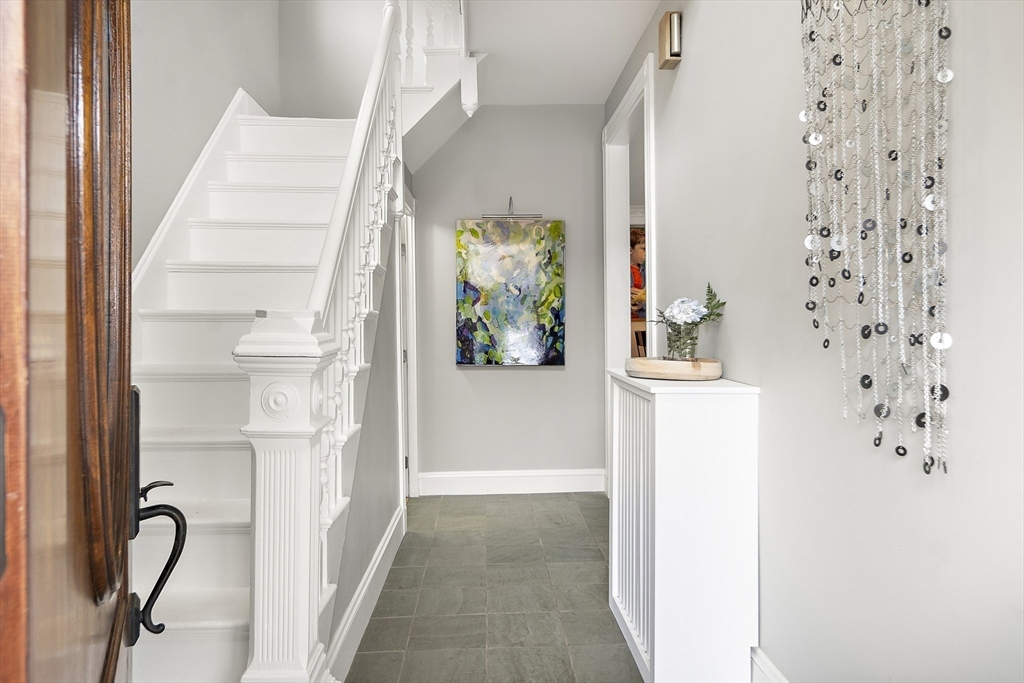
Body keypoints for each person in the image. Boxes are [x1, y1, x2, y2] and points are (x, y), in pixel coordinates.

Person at [630, 228, 646, 320]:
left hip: (641, 317)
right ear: (630, 250)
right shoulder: (620, 271)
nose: (646, 253)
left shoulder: (644, 272)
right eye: (643, 249)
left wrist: (641, 305)